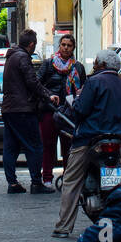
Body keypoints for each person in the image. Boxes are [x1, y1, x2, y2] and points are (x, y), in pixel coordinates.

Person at [52, 47, 121, 236]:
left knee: (71, 180)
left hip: (90, 138)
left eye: (96, 62)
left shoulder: (94, 82)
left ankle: (63, 226)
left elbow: (80, 110)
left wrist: (76, 99)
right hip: (118, 139)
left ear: (102, 65)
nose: (94, 65)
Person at [0, 29, 55, 194]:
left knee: (11, 146)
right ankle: (36, 183)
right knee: (35, 146)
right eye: (34, 45)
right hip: (22, 109)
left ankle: (12, 183)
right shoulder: (23, 57)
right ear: (31, 44)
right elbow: (32, 82)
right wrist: (48, 95)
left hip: (9, 108)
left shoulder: (11, 57)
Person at [37, 34, 86, 186]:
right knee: (48, 145)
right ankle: (47, 178)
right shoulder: (48, 64)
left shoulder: (78, 67)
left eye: (69, 45)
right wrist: (49, 95)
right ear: (59, 46)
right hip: (49, 111)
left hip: (69, 113)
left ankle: (68, 178)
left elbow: (84, 89)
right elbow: (37, 85)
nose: (65, 47)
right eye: (63, 44)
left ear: (73, 48)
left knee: (68, 147)